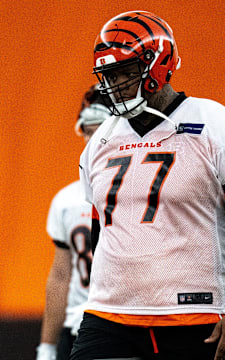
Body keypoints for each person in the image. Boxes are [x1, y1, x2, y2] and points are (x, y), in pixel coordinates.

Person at [70, 10, 225, 360]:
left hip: (194, 314)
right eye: (108, 75)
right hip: (109, 314)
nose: (113, 84)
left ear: (156, 64)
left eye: (123, 72)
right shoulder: (101, 140)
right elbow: (99, 228)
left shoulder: (215, 126)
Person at [36, 84, 112, 360]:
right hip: (79, 327)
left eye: (101, 130)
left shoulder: (141, 192)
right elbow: (60, 275)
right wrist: (47, 346)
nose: (93, 141)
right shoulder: (67, 200)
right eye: (88, 131)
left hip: (129, 323)